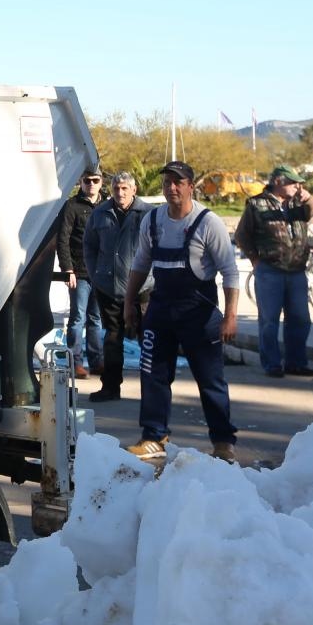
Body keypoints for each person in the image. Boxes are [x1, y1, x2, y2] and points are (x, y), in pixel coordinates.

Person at [122, 160, 241, 463]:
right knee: (152, 374)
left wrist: (230, 317)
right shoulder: (153, 220)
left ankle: (223, 442)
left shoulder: (208, 222)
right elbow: (140, 264)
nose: (172, 188)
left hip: (198, 311)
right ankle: (153, 437)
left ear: (191, 186)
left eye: (178, 182)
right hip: (161, 309)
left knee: (210, 379)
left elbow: (230, 272)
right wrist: (129, 303)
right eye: (167, 183)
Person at [234, 165, 313, 377]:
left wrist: (307, 197)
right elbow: (242, 236)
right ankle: (272, 364)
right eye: (293, 183)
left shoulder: (298, 203)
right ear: (279, 182)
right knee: (269, 320)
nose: (297, 186)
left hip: (297, 271)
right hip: (270, 270)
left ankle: (296, 362)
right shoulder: (257, 204)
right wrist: (255, 259)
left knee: (300, 318)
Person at [82, 171, 152, 403]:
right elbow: (89, 247)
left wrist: (152, 278)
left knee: (148, 339)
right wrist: (96, 275)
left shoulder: (148, 214)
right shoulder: (100, 213)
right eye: (116, 189)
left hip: (143, 291)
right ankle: (110, 387)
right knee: (112, 339)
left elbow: (159, 249)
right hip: (108, 288)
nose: (120, 193)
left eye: (124, 188)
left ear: (134, 190)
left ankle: (153, 390)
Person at [56, 165, 104, 379]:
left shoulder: (107, 205)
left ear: (101, 182)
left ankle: (97, 361)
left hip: (102, 273)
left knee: (96, 319)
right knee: (78, 318)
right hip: (79, 271)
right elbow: (63, 239)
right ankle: (75, 362)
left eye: (95, 180)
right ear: (81, 182)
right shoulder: (72, 206)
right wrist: (68, 269)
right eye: (87, 181)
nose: (91, 184)